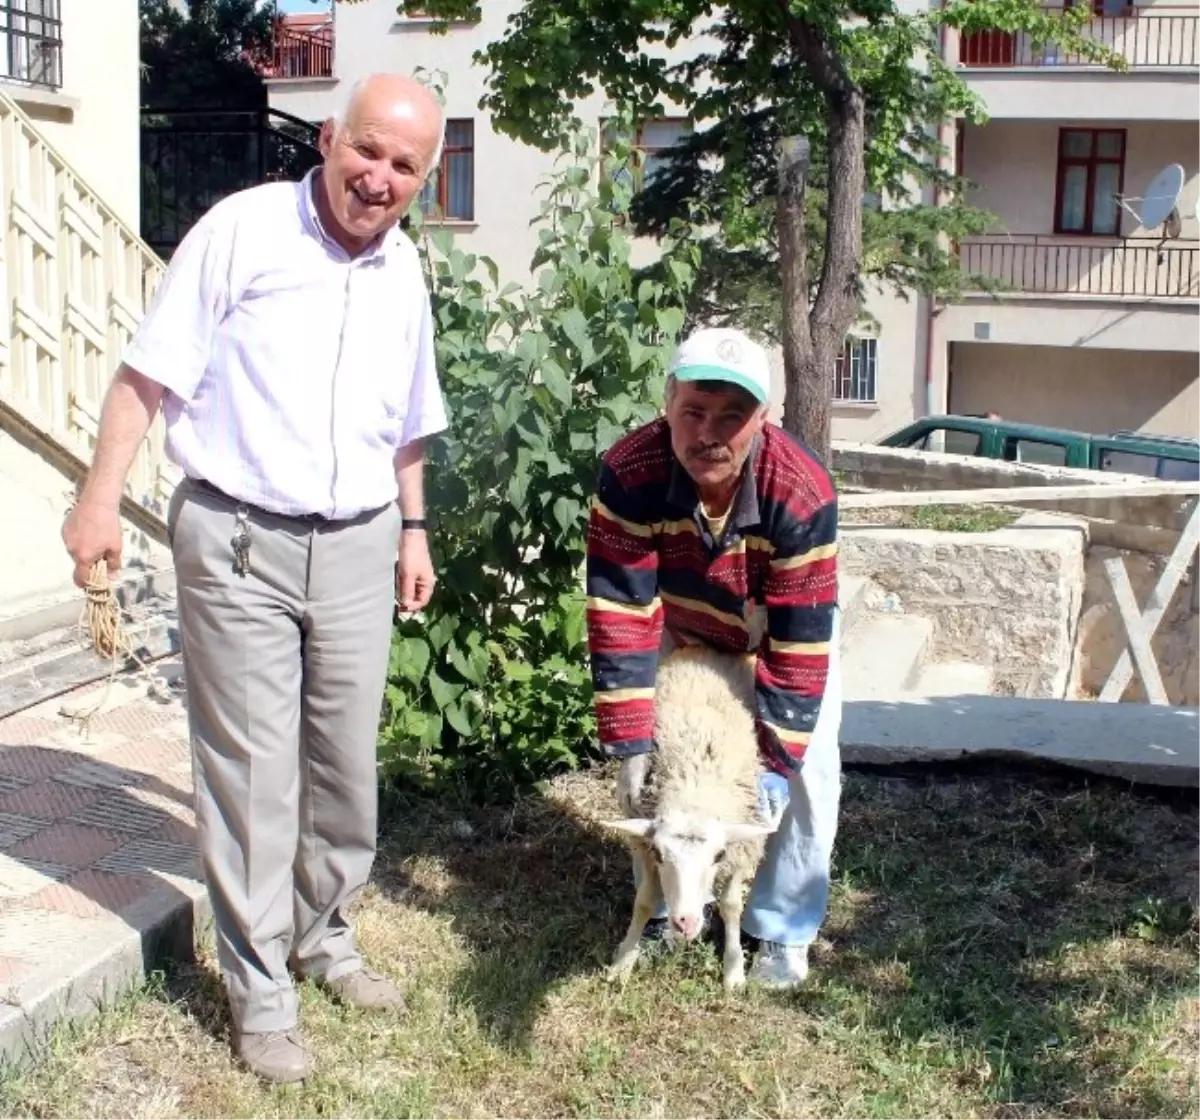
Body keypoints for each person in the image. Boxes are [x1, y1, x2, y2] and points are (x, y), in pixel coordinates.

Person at [61, 73, 449, 1084]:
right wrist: (98, 499)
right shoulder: (241, 232)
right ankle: (261, 989)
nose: (378, 177)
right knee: (250, 780)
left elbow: (407, 421)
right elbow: (147, 375)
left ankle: (326, 937)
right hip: (237, 539)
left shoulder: (405, 270)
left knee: (342, 768)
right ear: (329, 137)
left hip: (362, 539)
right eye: (367, 150)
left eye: (403, 165)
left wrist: (414, 529)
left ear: (424, 177)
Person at [585, 326, 842, 989]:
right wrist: (630, 738)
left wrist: (780, 754)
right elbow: (620, 608)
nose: (710, 433)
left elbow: (801, 634)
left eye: (734, 417)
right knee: (662, 772)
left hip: (779, 624)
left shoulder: (801, 491)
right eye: (694, 411)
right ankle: (677, 897)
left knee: (808, 776)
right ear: (666, 400)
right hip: (679, 614)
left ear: (765, 419)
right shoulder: (630, 472)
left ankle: (783, 926)